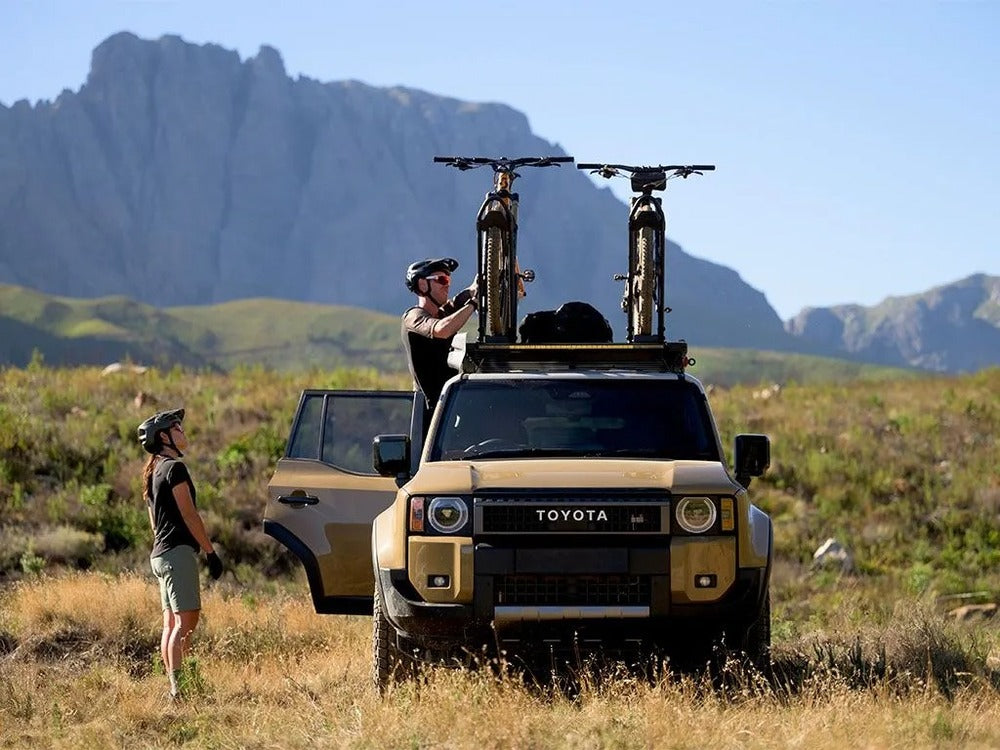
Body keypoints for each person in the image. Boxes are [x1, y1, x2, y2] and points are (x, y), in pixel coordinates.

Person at [137, 407, 223, 700]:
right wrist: (210, 552)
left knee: (171, 624)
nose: (183, 433)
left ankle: (176, 684)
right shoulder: (174, 469)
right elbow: (189, 514)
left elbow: (153, 522)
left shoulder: (153, 471)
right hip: (177, 554)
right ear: (164, 436)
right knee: (186, 621)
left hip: (160, 555)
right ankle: (178, 689)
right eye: (178, 429)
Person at [401, 257, 478, 424]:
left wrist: (475, 289)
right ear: (422, 285)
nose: (447, 284)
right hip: (430, 416)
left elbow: (457, 302)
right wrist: (473, 304)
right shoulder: (413, 316)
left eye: (448, 279)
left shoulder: (441, 315)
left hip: (450, 406)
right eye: (441, 279)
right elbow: (441, 330)